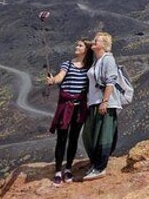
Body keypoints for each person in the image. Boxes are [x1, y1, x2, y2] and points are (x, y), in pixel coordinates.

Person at [46, 38, 93, 185]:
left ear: (86, 49)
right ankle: (58, 171)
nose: (76, 47)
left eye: (80, 45)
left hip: (80, 107)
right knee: (62, 139)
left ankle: (68, 169)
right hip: (66, 107)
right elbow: (61, 76)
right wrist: (53, 80)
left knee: (73, 139)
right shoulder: (67, 64)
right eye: (76, 44)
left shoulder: (89, 67)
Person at [82, 31, 121, 180]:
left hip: (104, 103)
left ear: (104, 45)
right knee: (89, 135)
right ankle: (95, 163)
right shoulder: (96, 61)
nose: (94, 42)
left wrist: (105, 101)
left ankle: (100, 167)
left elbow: (110, 81)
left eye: (96, 41)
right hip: (94, 102)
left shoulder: (108, 60)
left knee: (102, 135)